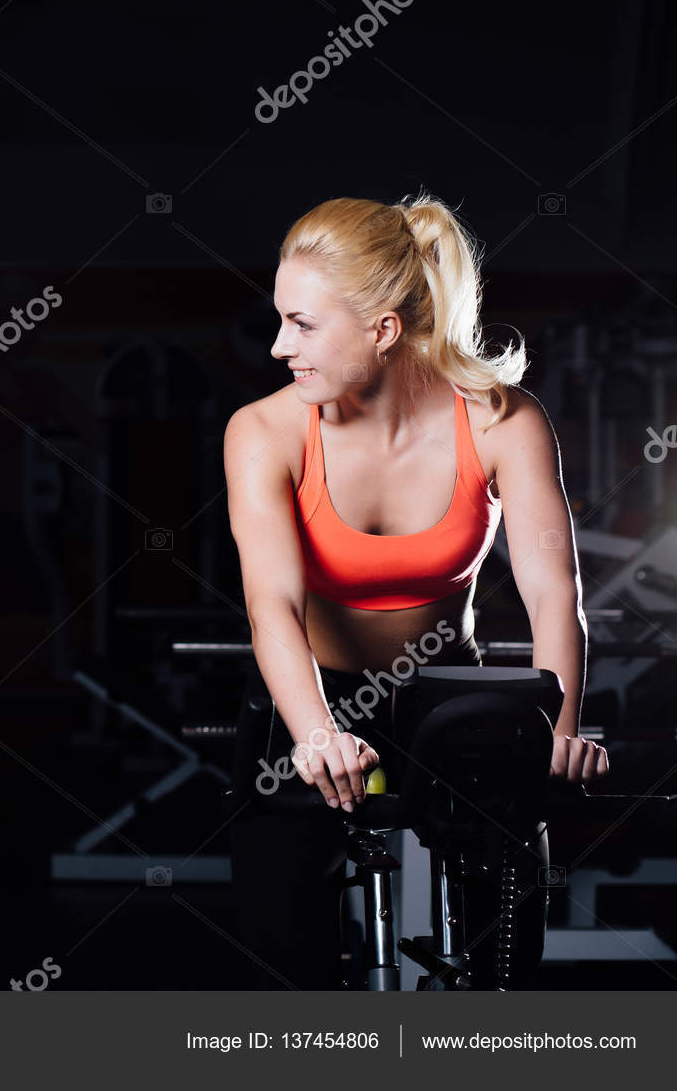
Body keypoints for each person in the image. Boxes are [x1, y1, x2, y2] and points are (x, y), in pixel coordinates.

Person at [222, 193, 607, 989]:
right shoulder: (263, 431)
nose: (276, 346)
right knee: (282, 951)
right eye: (280, 319)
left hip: (445, 694)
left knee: (508, 944)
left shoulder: (504, 421)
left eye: (302, 325)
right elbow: (273, 605)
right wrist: (316, 734)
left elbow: (552, 594)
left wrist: (561, 726)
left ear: (383, 329)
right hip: (311, 693)